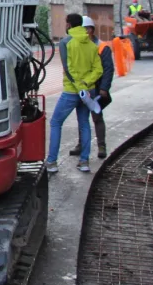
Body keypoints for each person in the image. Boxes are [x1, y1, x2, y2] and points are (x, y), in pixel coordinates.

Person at [46, 13, 104, 174]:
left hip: (72, 92)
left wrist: (79, 87)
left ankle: (51, 162)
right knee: (84, 123)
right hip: (88, 92)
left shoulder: (66, 43)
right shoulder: (92, 45)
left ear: (69, 24)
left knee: (56, 122)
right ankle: (84, 161)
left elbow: (68, 68)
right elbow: (98, 70)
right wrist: (86, 84)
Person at [70, 16, 114, 160]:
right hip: (82, 87)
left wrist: (104, 88)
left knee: (97, 117)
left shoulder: (102, 47)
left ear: (90, 30)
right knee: (82, 118)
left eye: (83, 29)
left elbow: (108, 69)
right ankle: (81, 144)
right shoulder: (78, 45)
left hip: (97, 88)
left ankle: (101, 146)